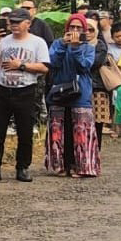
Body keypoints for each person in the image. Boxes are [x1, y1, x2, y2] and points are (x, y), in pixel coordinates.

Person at [0, 8, 50, 183]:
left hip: (25, 90)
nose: (13, 25)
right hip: (2, 89)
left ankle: (22, 167)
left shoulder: (37, 42)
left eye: (17, 22)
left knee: (25, 131)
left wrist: (21, 65)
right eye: (11, 22)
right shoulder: (4, 40)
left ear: (27, 24)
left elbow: (44, 67)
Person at [46, 14, 99, 177]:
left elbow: (85, 66)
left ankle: (82, 167)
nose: (75, 31)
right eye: (72, 27)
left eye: (79, 28)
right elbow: (51, 62)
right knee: (57, 129)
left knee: (81, 130)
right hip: (59, 91)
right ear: (66, 29)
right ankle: (59, 165)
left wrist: (76, 48)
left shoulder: (88, 47)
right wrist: (63, 45)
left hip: (80, 93)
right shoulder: (57, 44)